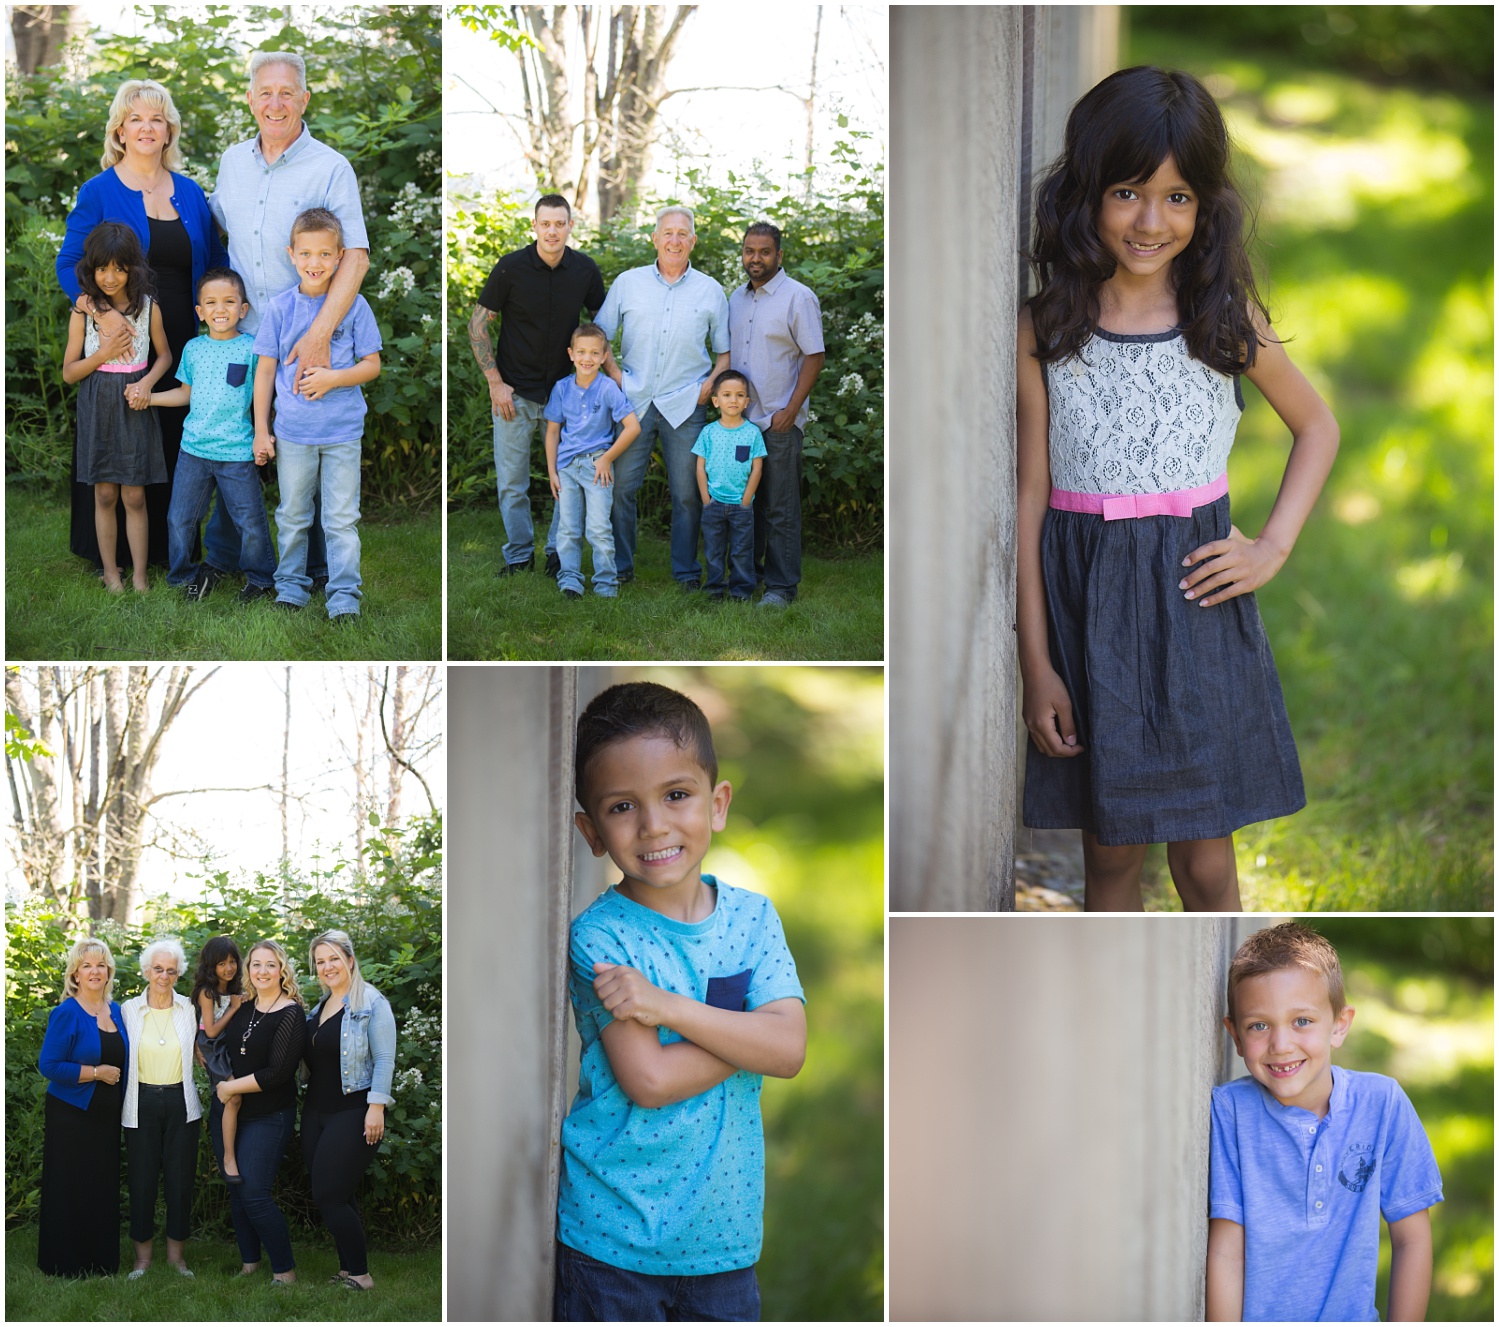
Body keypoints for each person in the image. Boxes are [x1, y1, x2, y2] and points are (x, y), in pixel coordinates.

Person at [1016, 67, 1339, 909]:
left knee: (1204, 863)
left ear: (1206, 208)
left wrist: (1270, 547)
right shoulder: (1044, 330)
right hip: (1090, 610)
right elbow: (1027, 499)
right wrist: (1036, 663)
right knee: (1113, 861)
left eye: (1177, 197)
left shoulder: (1221, 318)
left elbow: (1318, 426)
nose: (1150, 221)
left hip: (1195, 609)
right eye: (1126, 192)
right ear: (1084, 191)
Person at [556, 682, 807, 1321]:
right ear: (590, 831)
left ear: (717, 803)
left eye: (676, 795)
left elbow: (789, 1050)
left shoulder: (753, 919)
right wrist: (748, 1031)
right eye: (621, 807)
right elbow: (650, 1079)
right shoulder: (601, 936)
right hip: (612, 1240)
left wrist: (668, 1008)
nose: (654, 825)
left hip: (723, 1244)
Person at [1207, 923, 1442, 1321]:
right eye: (1259, 1026)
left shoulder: (1382, 1104)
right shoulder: (1231, 1111)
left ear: (1339, 1025)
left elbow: (1412, 1239)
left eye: (1302, 1021)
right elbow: (1227, 1249)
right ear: (1235, 1035)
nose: (1281, 1045)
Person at [206, 49, 372, 594]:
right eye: (265, 92)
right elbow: (215, 227)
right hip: (244, 336)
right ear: (250, 99)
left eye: (286, 92)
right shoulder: (233, 161)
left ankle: (319, 571)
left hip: (308, 340)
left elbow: (355, 254)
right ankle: (240, 561)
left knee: (312, 447)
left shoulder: (330, 166)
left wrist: (320, 335)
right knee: (238, 444)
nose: (275, 103)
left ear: (304, 99)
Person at [55, 77, 229, 574]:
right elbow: (70, 263)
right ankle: (105, 555)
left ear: (170, 130)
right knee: (118, 437)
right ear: (120, 131)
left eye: (157, 118)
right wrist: (102, 313)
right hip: (120, 339)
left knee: (179, 435)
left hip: (183, 338)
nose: (147, 127)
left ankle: (171, 550)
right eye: (136, 118)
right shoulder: (99, 191)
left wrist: (219, 319)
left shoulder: (191, 192)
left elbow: (217, 259)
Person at [469, 193, 608, 576]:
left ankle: (557, 551)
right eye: (545, 223)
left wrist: (606, 378)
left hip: (567, 396)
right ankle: (518, 555)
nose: (552, 231)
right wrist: (495, 382)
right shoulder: (510, 268)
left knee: (567, 478)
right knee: (512, 484)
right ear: (534, 226)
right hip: (513, 393)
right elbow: (478, 325)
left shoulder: (584, 269)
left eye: (559, 224)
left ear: (569, 226)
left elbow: (601, 328)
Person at [253, 208, 382, 620]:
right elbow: (266, 371)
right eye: (306, 254)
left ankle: (344, 596)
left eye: (325, 255)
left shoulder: (354, 307)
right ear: (292, 255)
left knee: (342, 517)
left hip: (342, 430)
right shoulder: (279, 309)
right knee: (293, 512)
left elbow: (372, 365)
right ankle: (291, 586)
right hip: (293, 431)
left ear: (340, 256)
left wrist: (332, 379)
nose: (315, 263)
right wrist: (261, 429)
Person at [596, 206, 731, 588]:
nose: (674, 240)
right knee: (621, 488)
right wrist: (617, 376)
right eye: (667, 233)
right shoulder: (628, 283)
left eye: (682, 234)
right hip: (633, 403)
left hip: (686, 404)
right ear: (654, 239)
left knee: (687, 493)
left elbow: (725, 352)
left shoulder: (710, 290)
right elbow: (600, 336)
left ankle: (686, 571)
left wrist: (709, 387)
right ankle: (621, 566)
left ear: (693, 241)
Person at [149, 267, 276, 604]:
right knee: (179, 519)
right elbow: (184, 393)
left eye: (229, 301)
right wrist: (151, 397)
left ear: (243, 309)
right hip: (193, 450)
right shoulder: (193, 349)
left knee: (249, 521)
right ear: (200, 311)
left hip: (236, 452)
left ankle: (261, 579)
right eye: (211, 303)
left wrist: (263, 436)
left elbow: (264, 392)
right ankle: (182, 578)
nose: (221, 309)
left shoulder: (252, 349)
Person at [62, 222, 173, 594]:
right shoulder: (85, 313)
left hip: (135, 405)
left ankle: (139, 575)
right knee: (105, 493)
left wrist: (146, 383)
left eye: (119, 268)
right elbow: (69, 373)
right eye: (102, 268)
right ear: (90, 269)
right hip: (97, 405)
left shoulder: (148, 308)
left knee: (134, 494)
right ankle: (111, 572)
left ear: (133, 269)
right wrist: (103, 353)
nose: (110, 277)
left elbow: (164, 356)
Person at [727, 223, 826, 607]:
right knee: (744, 501)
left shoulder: (798, 297)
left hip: (778, 422)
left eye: (764, 251)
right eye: (750, 251)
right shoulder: (735, 298)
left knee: (781, 506)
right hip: (739, 425)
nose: (756, 258)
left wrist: (791, 410)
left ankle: (781, 587)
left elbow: (814, 356)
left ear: (779, 255)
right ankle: (745, 579)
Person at [303, 929, 398, 1291]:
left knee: (327, 1194)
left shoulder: (371, 1003)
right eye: (320, 961)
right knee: (339, 1193)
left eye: (333, 959)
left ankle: (361, 1275)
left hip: (354, 1109)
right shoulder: (320, 1006)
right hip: (316, 1112)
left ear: (350, 960)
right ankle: (347, 1269)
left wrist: (376, 1108)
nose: (327, 967)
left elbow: (385, 1059)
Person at [211, 939, 307, 1286]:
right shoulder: (245, 1006)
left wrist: (230, 1087)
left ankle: (284, 1270)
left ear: (282, 969)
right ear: (248, 969)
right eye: (256, 964)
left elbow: (277, 1073)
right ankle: (249, 1264)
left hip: (269, 1115)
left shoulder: (291, 1013)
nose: (262, 971)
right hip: (230, 1110)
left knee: (254, 1192)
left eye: (270, 964)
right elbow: (217, 1040)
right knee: (236, 1189)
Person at [36, 936, 127, 1277]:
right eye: (86, 965)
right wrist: (95, 1073)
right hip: (71, 1114)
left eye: (100, 964)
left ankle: (101, 1261)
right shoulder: (66, 1013)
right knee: (70, 1186)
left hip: (107, 1115)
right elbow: (49, 1066)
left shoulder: (116, 1010)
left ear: (109, 971)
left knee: (100, 1185)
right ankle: (63, 1263)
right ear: (75, 974)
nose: (94, 971)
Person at [120, 936, 200, 1280]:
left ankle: (177, 1259)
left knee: (180, 1182)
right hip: (141, 1102)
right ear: (146, 971)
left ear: (178, 973)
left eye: (171, 970)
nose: (164, 976)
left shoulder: (190, 1009)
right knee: (142, 1181)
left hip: (183, 1103)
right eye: (158, 969)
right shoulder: (127, 1010)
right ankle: (142, 1260)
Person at [544, 324, 641, 600]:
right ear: (571, 354)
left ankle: (606, 584)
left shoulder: (608, 388)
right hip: (566, 468)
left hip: (597, 467)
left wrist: (607, 458)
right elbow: (553, 431)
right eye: (582, 352)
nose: (587, 358)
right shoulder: (562, 388)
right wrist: (552, 471)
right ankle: (570, 580)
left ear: (604, 356)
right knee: (568, 528)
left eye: (594, 353)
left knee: (598, 528)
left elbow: (633, 427)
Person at [692, 370, 766, 601]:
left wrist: (746, 500)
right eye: (727, 394)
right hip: (713, 502)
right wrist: (705, 498)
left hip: (741, 506)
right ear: (716, 401)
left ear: (747, 402)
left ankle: (741, 591)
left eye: (739, 395)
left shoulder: (752, 433)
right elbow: (699, 467)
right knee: (714, 550)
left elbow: (757, 468)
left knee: (742, 550)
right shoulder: (708, 432)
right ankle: (714, 588)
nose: (733, 400)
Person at [191, 935, 246, 1181]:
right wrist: (234, 1008)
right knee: (233, 1097)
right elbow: (211, 1030)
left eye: (232, 961)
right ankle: (228, 1156)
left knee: (235, 1096)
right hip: (212, 1045)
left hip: (228, 1044)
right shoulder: (207, 992)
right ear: (211, 966)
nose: (228, 968)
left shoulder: (236, 990)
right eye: (222, 963)